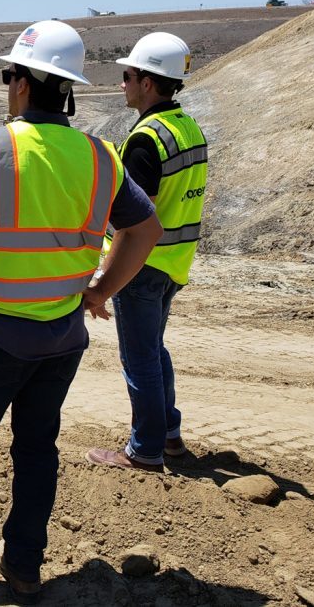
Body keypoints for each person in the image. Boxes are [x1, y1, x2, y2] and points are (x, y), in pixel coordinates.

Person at [0, 21, 163, 604]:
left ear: (21, 84)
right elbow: (144, 230)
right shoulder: (99, 156)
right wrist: (101, 291)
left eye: (8, 74)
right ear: (63, 89)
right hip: (63, 337)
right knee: (37, 447)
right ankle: (23, 570)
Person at [86, 33, 208, 473]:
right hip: (174, 262)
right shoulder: (187, 127)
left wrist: (103, 284)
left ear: (149, 82)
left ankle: (145, 450)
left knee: (140, 359)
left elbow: (135, 225)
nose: (122, 84)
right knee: (154, 352)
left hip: (143, 267)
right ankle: (169, 437)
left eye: (127, 76)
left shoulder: (145, 141)